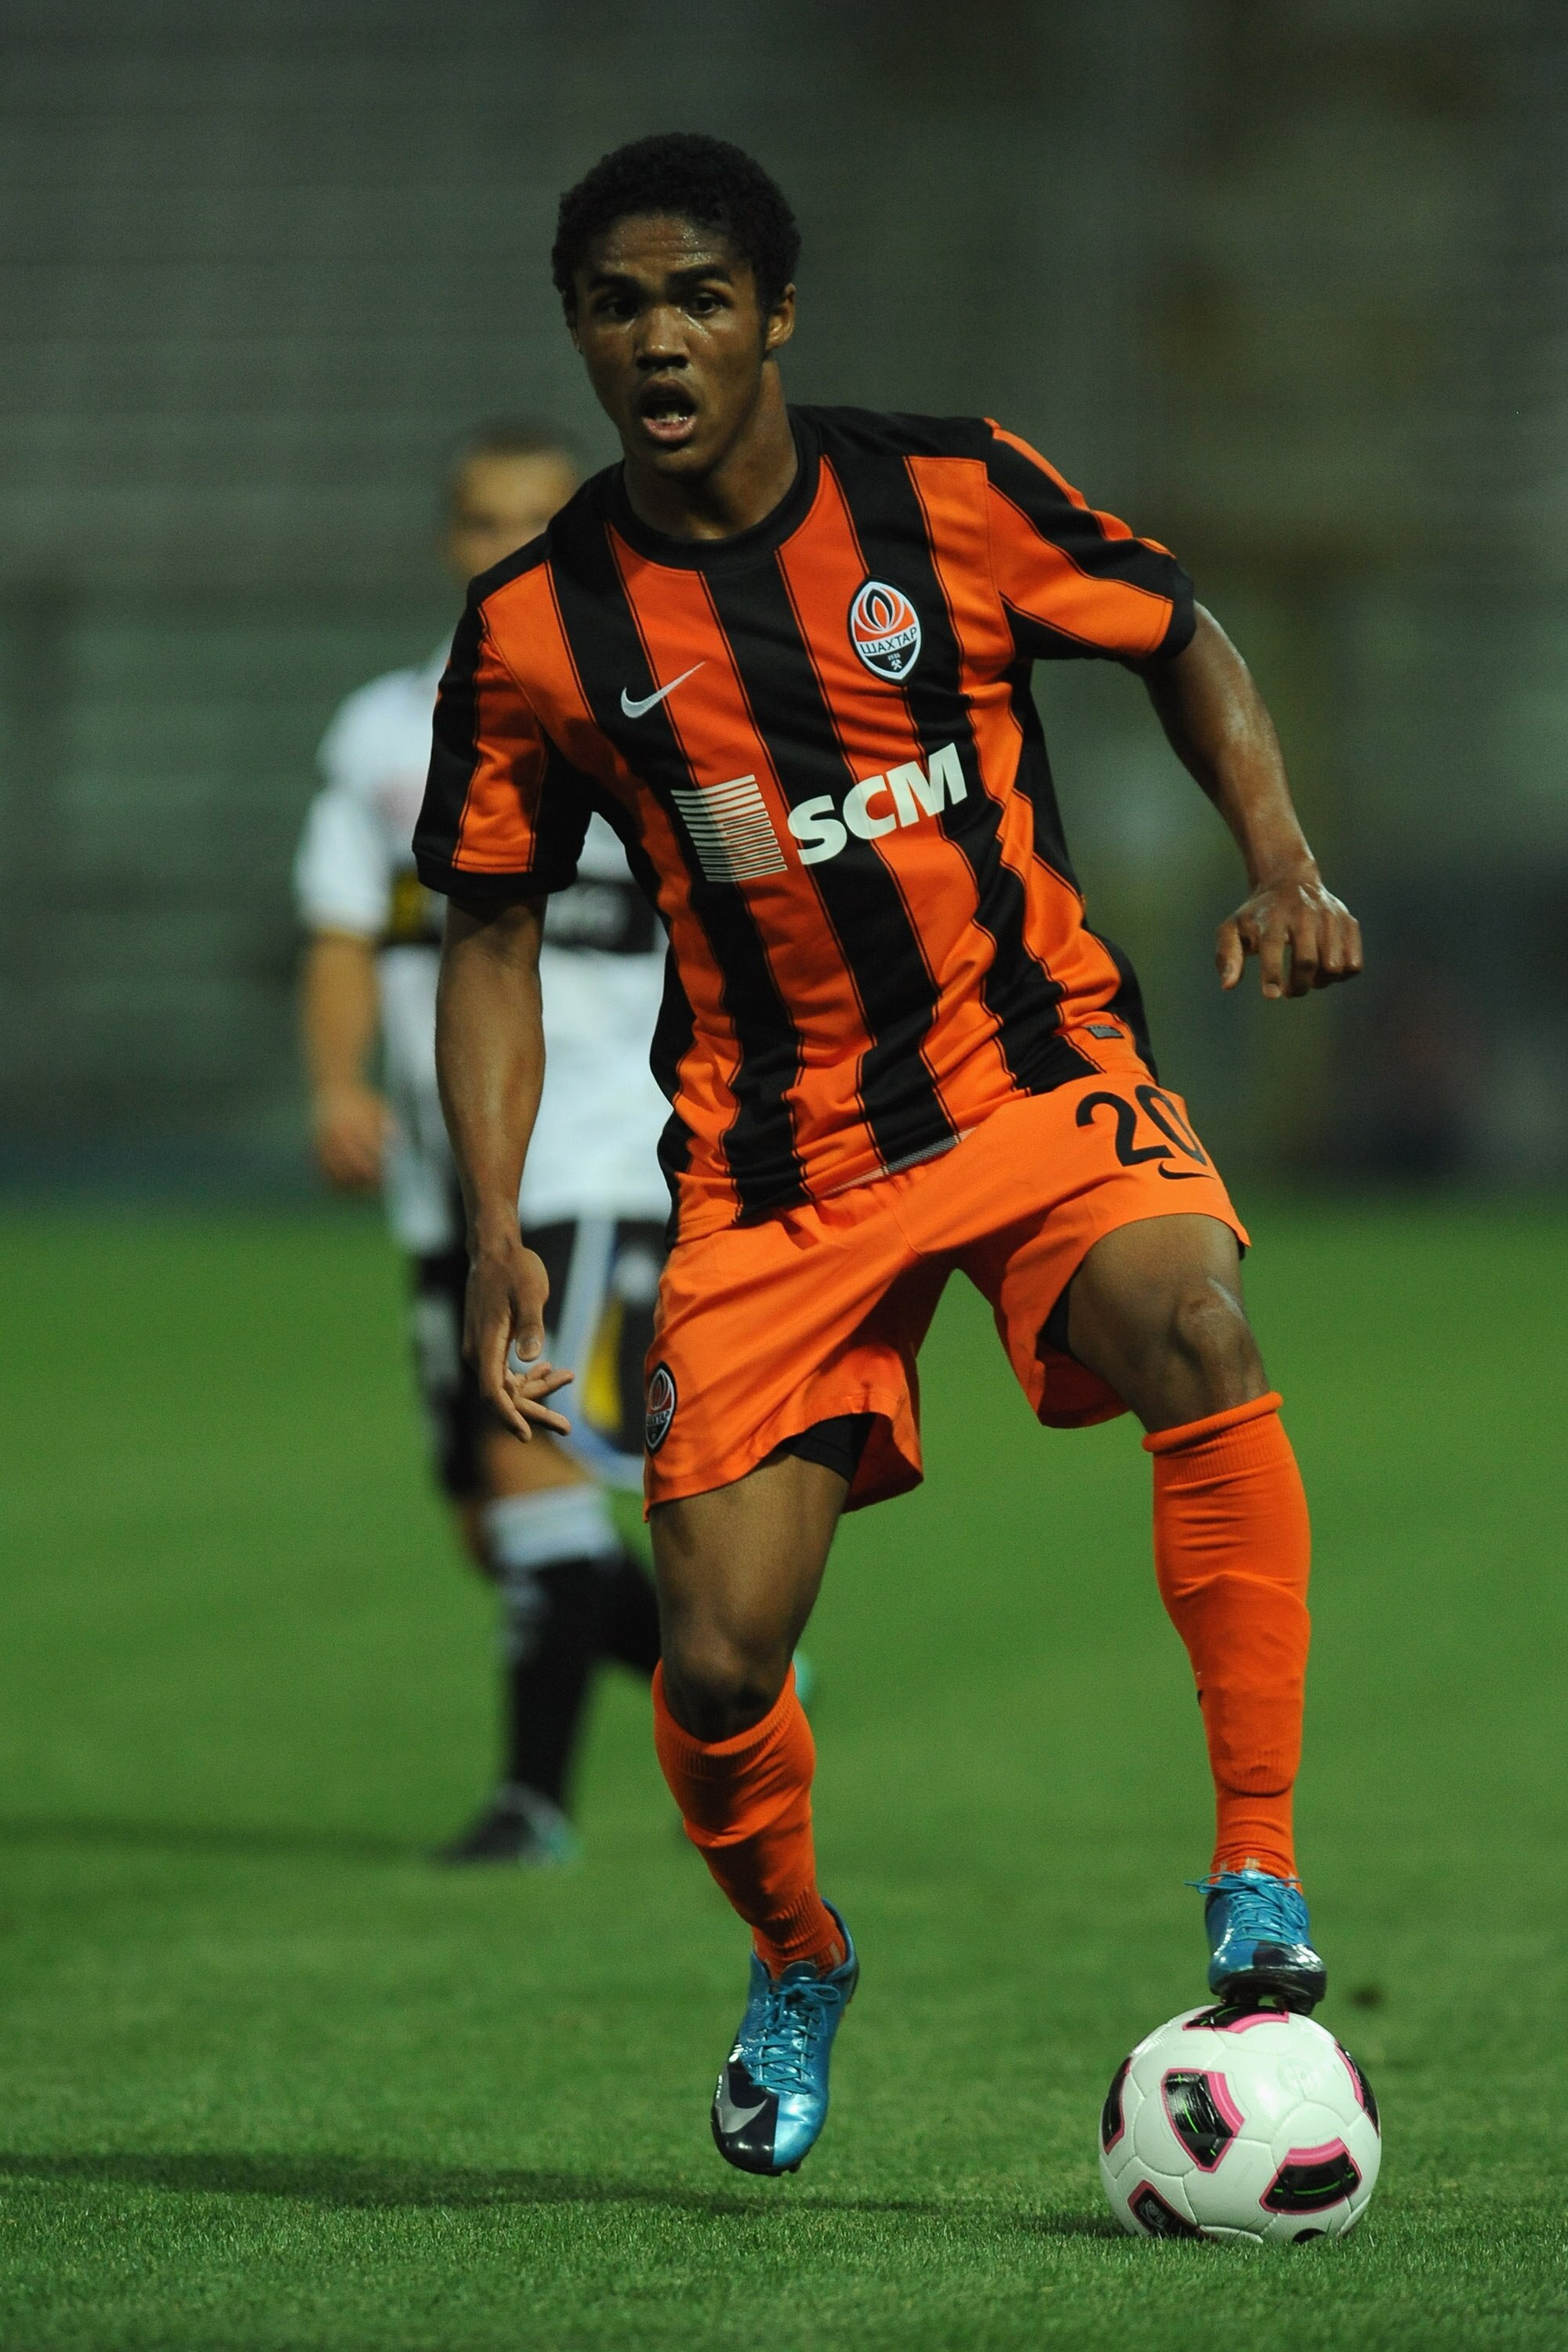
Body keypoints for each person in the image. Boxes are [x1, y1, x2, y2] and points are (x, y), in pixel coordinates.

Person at [414, 134, 1364, 2176]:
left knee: (1193, 1314)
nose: (658, 339)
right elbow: (486, 927)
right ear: (579, 329)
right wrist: (495, 1222)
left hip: (1026, 1067)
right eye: (616, 304)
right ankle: (798, 1953)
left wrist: (1279, 858)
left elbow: (1183, 633)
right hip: (773, 1173)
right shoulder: (541, 631)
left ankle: (1261, 1870)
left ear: (773, 315)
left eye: (696, 299)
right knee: (722, 1650)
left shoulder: (952, 491)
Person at [295, 421, 670, 1867]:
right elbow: (342, 933)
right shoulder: (387, 732)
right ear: (449, 538)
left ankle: (531, 1806)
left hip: (594, 1148)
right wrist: (339, 1082)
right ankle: (731, 1664)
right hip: (444, 1174)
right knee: (486, 1516)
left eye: (540, 514)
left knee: (536, 1461)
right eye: (482, 518)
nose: (508, 539)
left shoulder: (641, 709)